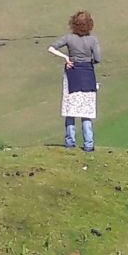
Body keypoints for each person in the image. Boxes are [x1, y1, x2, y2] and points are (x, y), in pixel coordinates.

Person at [50, 10, 101, 152]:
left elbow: (51, 48)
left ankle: (69, 142)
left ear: (73, 23)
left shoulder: (68, 38)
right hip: (88, 75)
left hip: (72, 73)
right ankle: (89, 144)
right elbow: (97, 59)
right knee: (86, 112)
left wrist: (66, 58)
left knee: (70, 110)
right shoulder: (93, 40)